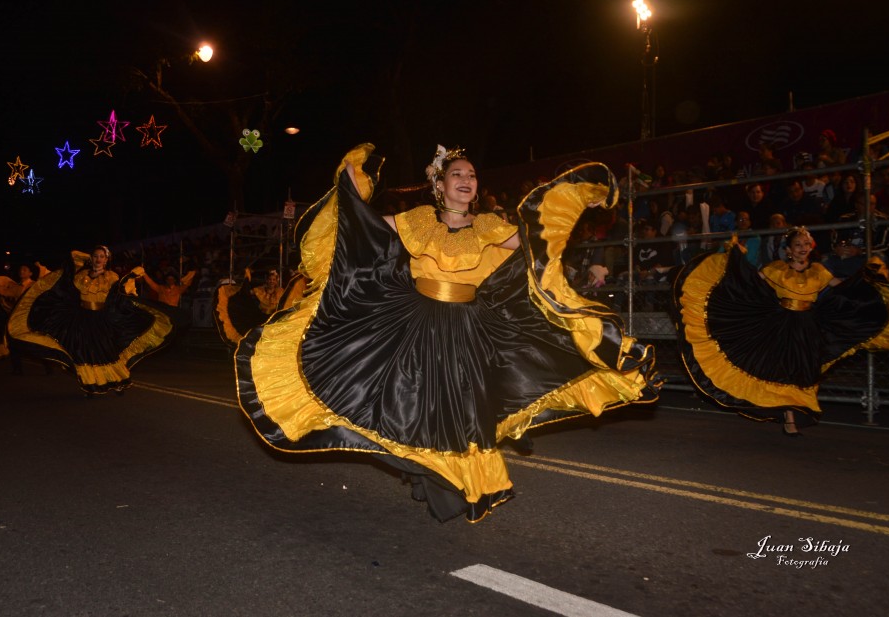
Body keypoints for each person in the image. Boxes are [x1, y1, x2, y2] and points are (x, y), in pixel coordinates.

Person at [235, 143, 661, 523]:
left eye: (472, 175)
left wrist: (568, 205)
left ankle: (443, 479)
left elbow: (537, 241)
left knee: (460, 411)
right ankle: (430, 475)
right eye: (457, 174)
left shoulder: (492, 226)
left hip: (468, 328)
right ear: (440, 184)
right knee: (412, 405)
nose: (466, 180)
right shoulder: (417, 220)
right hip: (414, 323)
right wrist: (353, 180)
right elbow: (359, 225)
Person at [672, 226, 889, 436]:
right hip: (780, 326)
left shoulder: (820, 271)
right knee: (783, 369)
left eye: (806, 243)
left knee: (803, 370)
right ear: (788, 249)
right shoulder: (776, 269)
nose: (802, 247)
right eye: (797, 244)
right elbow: (749, 282)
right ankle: (790, 418)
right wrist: (737, 259)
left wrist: (868, 281)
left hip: (808, 326)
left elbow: (845, 290)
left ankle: (794, 409)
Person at [7, 245, 175, 396]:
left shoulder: (111, 276)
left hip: (102, 318)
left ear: (106, 259)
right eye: (96, 256)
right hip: (81, 318)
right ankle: (90, 383)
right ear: (91, 258)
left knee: (107, 351)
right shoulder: (81, 276)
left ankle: (118, 381)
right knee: (85, 351)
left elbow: (118, 294)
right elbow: (68, 280)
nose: (98, 259)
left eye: (102, 256)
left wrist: (130, 277)